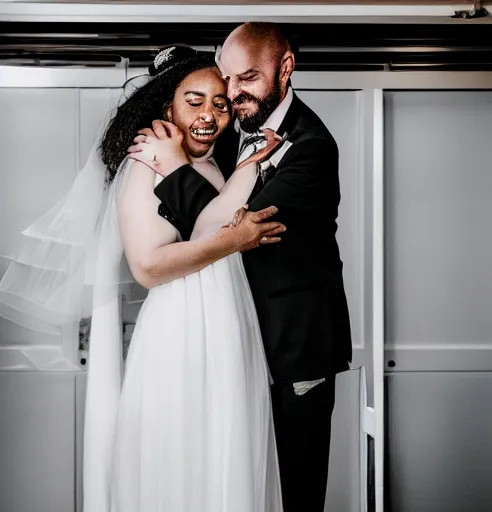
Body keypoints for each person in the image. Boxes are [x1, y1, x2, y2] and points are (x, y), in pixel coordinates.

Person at [0, 47, 286, 512]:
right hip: (183, 336)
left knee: (223, 460)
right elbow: (149, 267)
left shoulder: (204, 163)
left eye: (220, 103)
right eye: (194, 101)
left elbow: (212, 220)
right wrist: (238, 238)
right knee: (183, 464)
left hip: (227, 329)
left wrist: (252, 163)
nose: (209, 115)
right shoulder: (144, 165)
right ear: (166, 107)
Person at [131, 23, 353, 512]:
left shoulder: (311, 146)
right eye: (226, 80)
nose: (232, 95)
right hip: (230, 343)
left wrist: (172, 169)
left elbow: (234, 230)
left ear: (285, 68)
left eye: (246, 79)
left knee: (293, 486)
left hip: (293, 352)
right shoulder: (234, 129)